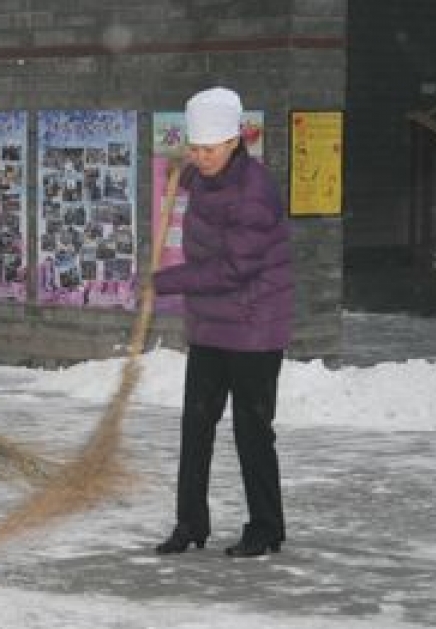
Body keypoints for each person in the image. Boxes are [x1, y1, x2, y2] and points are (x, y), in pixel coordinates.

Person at [151, 87, 295, 557]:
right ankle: (190, 524)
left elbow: (233, 269)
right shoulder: (203, 177)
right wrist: (180, 171)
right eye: (194, 148)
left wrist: (164, 282)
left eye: (209, 149)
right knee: (195, 425)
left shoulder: (256, 192)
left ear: (234, 141)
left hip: (254, 326)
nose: (200, 157)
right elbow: (195, 177)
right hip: (212, 324)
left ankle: (266, 529)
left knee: (252, 431)